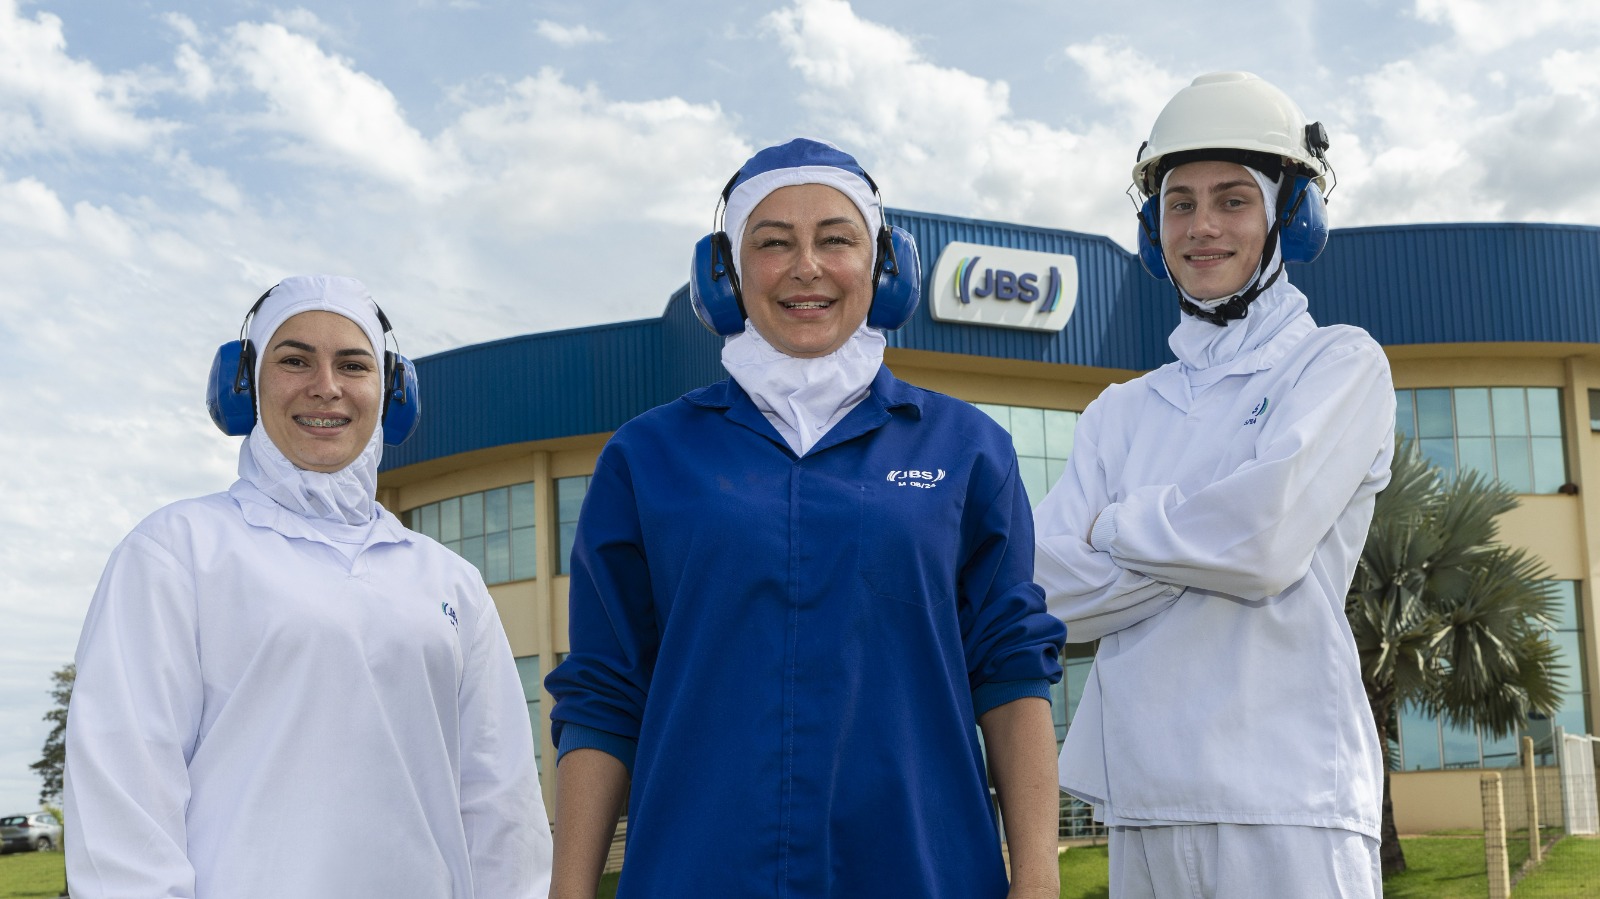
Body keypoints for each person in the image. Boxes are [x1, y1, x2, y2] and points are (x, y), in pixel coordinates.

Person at [544, 139, 1066, 898]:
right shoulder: (645, 456)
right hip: (699, 874)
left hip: (922, 873)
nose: (806, 267)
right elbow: (603, 694)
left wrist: (1040, 877)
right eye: (773, 242)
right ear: (724, 274)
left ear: (885, 267)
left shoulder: (968, 449)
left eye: (836, 239)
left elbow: (1011, 670)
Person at [64, 276, 552, 898]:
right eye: (294, 360)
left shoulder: (452, 582)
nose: (326, 386)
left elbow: (501, 802)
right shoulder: (175, 551)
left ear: (392, 392)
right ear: (244, 385)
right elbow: (124, 793)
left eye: (353, 365)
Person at [1034, 72, 1394, 898]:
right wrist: (1202, 544)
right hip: (1143, 805)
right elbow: (1044, 592)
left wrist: (1112, 526)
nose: (1202, 226)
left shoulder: (1339, 364)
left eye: (1233, 200)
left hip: (1289, 802)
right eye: (1180, 203)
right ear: (1151, 228)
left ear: (1290, 216)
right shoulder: (1119, 411)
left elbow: (1261, 546)